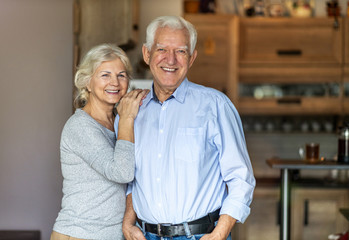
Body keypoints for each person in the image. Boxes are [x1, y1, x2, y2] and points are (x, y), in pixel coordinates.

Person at [115, 16, 256, 240]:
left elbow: (241, 178)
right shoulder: (131, 112)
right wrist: (128, 222)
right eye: (161, 49)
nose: (170, 59)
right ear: (147, 54)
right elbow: (133, 179)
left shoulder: (215, 105)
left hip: (201, 236)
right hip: (145, 236)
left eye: (180, 51)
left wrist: (220, 232)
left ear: (192, 58)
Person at [51, 43, 148, 240]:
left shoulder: (118, 122)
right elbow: (121, 172)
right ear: (87, 82)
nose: (115, 82)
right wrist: (128, 119)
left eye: (121, 75)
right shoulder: (80, 126)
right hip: (79, 234)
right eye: (105, 75)